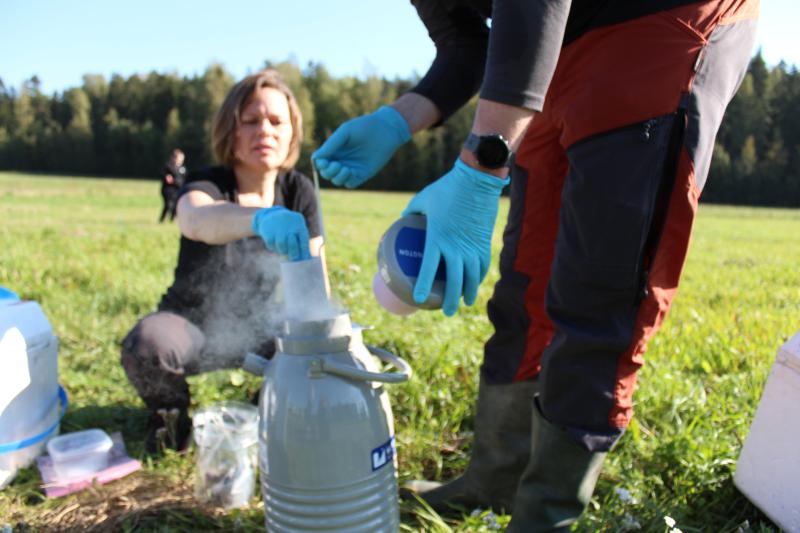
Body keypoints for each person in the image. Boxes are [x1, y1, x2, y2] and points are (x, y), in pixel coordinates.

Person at [312, 0, 759, 530]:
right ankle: (497, 475)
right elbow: (466, 42)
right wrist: (397, 118)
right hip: (554, 47)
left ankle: (544, 515)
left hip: (665, 21)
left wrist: (480, 170)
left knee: (601, 288)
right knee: (527, 275)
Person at [122, 69, 324, 453]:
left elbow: (315, 283)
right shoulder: (206, 182)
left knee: (315, 335)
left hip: (260, 325)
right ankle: (171, 421)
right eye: (250, 120)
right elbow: (197, 219)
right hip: (192, 324)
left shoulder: (298, 190)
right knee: (147, 345)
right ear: (230, 131)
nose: (264, 130)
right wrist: (259, 219)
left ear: (291, 133)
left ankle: (270, 412)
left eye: (276, 121)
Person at [159, 149, 187, 223]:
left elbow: (184, 178)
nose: (181, 160)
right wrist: (166, 177)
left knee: (176, 206)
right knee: (168, 205)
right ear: (174, 157)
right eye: (179, 158)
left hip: (178, 189)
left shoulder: (183, 169)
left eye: (182, 158)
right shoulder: (168, 166)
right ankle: (162, 220)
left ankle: (173, 220)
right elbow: (163, 176)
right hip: (168, 189)